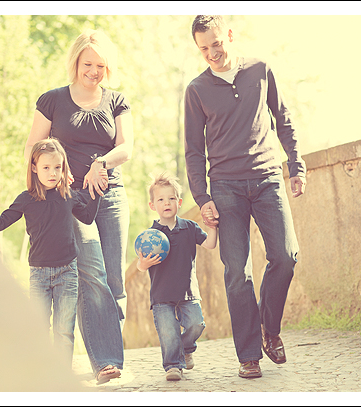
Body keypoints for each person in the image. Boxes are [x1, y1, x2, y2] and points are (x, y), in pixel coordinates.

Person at [184, 15, 307, 379]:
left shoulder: (260, 69)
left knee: (286, 256)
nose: (211, 53)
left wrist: (295, 166)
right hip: (225, 187)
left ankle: (270, 328)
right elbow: (193, 149)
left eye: (216, 43)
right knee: (237, 272)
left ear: (230, 36)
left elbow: (283, 118)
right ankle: (249, 354)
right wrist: (202, 195)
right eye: (203, 48)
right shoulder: (197, 89)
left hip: (268, 177)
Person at [24, 29, 133, 384]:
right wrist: (44, 189)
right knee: (91, 273)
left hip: (110, 195)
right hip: (70, 201)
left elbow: (126, 148)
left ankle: (106, 342)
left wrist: (101, 163)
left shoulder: (116, 101)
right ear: (76, 63)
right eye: (88, 64)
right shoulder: (53, 101)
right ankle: (106, 361)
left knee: (114, 281)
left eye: (101, 65)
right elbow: (32, 149)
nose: (94, 71)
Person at [0, 138, 101, 368]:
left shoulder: (68, 195)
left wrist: (98, 193)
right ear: (34, 168)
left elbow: (87, 217)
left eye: (58, 167)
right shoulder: (26, 199)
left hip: (67, 273)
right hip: (39, 275)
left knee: (64, 332)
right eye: (46, 167)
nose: (53, 173)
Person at [136, 172, 217, 381]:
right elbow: (140, 265)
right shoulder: (150, 236)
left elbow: (209, 244)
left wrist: (213, 228)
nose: (167, 203)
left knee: (196, 324)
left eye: (171, 198)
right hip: (161, 296)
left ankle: (186, 349)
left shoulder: (189, 227)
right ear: (153, 205)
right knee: (168, 333)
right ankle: (173, 366)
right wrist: (143, 264)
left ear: (179, 202)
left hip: (188, 293)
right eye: (161, 199)